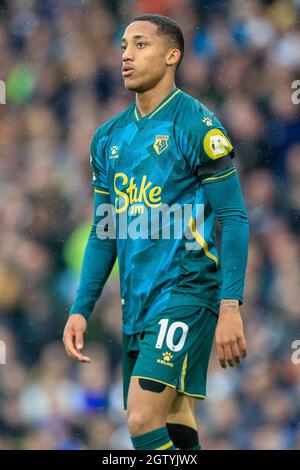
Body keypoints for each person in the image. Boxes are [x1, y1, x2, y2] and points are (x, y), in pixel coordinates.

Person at [63, 14, 249, 451]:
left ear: (172, 56)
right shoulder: (108, 138)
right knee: (175, 417)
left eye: (140, 44)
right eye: (124, 45)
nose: (126, 54)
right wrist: (80, 307)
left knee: (142, 420)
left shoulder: (197, 127)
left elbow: (234, 218)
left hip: (186, 290)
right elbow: (104, 230)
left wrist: (230, 305)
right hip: (137, 300)